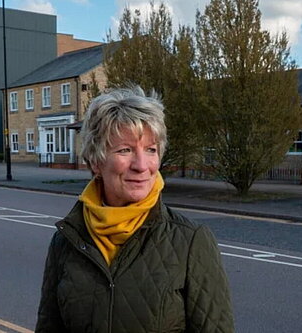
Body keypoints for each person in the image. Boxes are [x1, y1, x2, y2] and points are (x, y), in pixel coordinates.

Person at [35, 86, 234, 333]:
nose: (142, 165)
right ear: (96, 161)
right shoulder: (65, 241)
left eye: (151, 149)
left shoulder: (191, 241)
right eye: (125, 150)